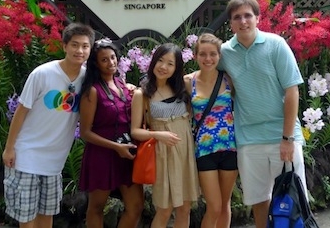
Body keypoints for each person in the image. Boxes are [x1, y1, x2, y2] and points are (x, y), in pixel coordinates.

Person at [217, 0, 306, 228]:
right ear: (231, 23)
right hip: (248, 138)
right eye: (237, 17)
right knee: (258, 201)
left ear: (257, 18)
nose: (243, 21)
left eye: (248, 15)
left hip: (282, 138)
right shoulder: (225, 53)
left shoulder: (276, 45)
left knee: (291, 199)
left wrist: (287, 138)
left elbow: (292, 91)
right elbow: (208, 79)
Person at [2, 23, 95, 228]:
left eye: (85, 46)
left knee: (47, 216)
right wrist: (9, 148)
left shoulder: (87, 78)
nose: (79, 51)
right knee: (27, 219)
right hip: (27, 154)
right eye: (74, 45)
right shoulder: (42, 74)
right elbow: (21, 112)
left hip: (55, 161)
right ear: (64, 46)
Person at [130, 43, 200, 228]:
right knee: (165, 209)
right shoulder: (142, 94)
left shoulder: (183, 87)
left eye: (170, 63)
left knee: (185, 208)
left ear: (176, 68)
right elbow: (135, 131)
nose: (163, 67)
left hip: (185, 151)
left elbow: (205, 76)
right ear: (153, 62)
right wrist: (158, 134)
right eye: (160, 60)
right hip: (162, 154)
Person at [78, 39, 144, 228]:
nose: (111, 63)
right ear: (96, 64)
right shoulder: (92, 91)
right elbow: (85, 132)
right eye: (104, 60)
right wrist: (116, 147)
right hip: (102, 154)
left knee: (136, 206)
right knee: (97, 207)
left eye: (113, 57)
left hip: (126, 154)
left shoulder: (122, 85)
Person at [183, 33, 238, 228]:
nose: (208, 59)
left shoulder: (228, 80)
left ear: (219, 56)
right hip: (204, 150)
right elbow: (164, 96)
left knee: (224, 205)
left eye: (213, 54)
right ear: (195, 56)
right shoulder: (188, 82)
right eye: (203, 54)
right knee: (213, 206)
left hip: (230, 147)